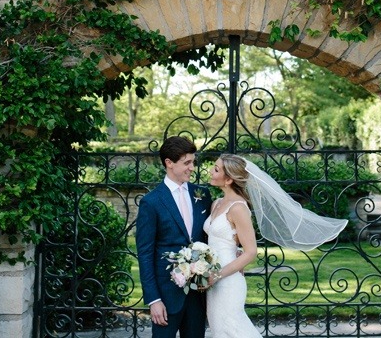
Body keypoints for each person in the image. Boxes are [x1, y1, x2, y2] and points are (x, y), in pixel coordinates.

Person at [203, 154, 348, 338]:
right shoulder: (216, 204)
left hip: (227, 280)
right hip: (213, 280)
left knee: (233, 328)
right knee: (219, 330)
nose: (210, 171)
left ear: (229, 179)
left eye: (216, 169)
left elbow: (251, 252)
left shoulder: (238, 208)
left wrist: (217, 275)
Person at [136, 136, 213, 338]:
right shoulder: (151, 202)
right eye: (186, 162)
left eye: (193, 162)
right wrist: (154, 300)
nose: (192, 167)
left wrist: (235, 250)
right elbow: (144, 254)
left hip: (198, 295)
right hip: (166, 297)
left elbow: (211, 235)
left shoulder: (202, 195)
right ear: (169, 163)